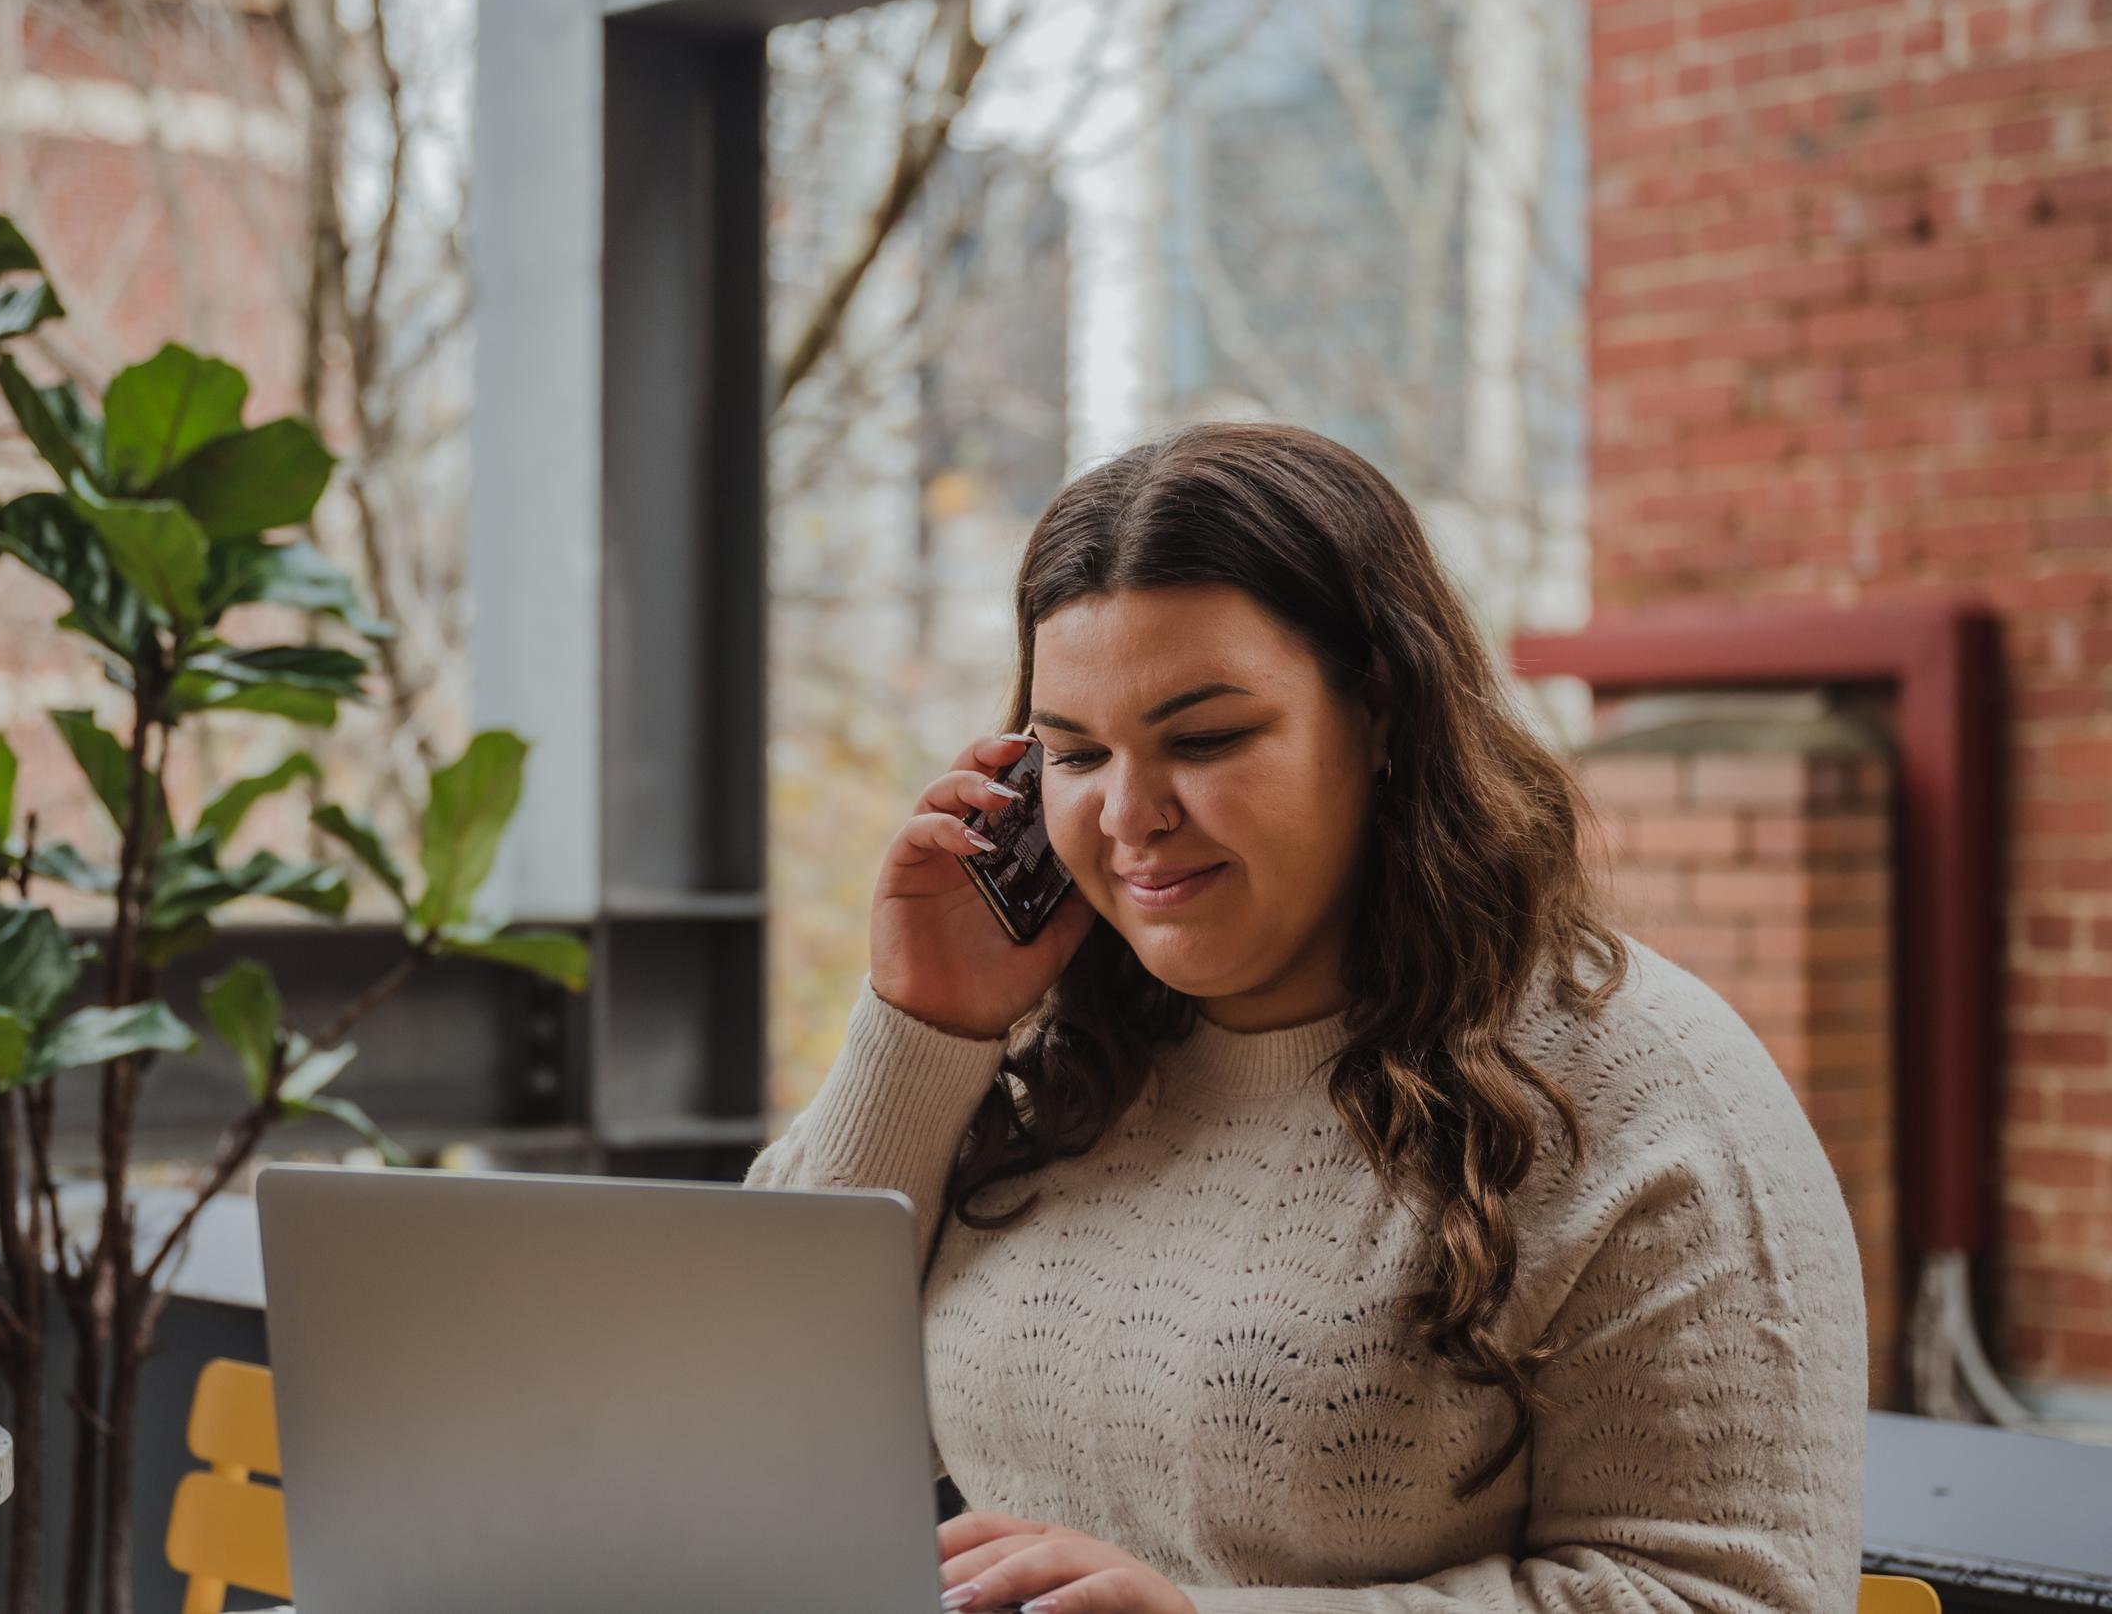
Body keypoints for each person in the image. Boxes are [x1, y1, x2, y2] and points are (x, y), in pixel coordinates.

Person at [744, 422, 1867, 1614]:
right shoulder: (1045, 1051)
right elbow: (748, 1422)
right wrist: (922, 1029)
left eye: (1208, 739)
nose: (1129, 815)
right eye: (1075, 755)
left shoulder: (1646, 1088)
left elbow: (1737, 1598)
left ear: (1382, 712)